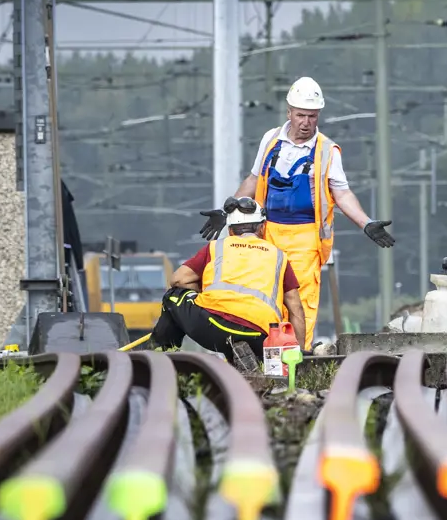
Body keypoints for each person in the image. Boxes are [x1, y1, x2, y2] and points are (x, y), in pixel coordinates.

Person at [199, 76, 394, 339]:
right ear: (289, 112)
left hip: (305, 239)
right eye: (301, 115)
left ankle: (296, 359)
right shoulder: (271, 140)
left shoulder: (327, 150)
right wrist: (227, 213)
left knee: (300, 302)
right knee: (264, 295)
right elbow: (254, 179)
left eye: (312, 116)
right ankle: (262, 355)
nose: (306, 122)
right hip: (266, 235)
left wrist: (366, 222)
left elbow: (342, 193)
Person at [155, 198, 307, 366]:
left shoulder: (216, 247)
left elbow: (177, 279)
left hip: (214, 327)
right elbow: (296, 309)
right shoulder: (279, 256)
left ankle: (161, 355)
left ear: (230, 230)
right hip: (261, 336)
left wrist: (206, 292)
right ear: (262, 227)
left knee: (173, 296)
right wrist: (298, 354)